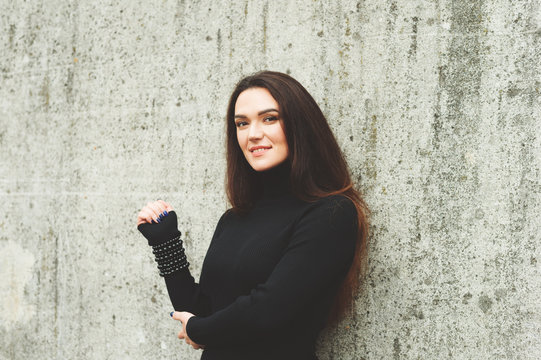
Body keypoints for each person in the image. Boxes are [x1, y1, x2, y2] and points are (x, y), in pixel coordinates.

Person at [136, 71, 369, 360]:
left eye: (269, 118)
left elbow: (270, 308)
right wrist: (166, 244)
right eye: (242, 123)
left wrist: (200, 329)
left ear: (300, 125)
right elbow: (202, 315)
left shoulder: (331, 213)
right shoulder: (234, 218)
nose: (253, 133)